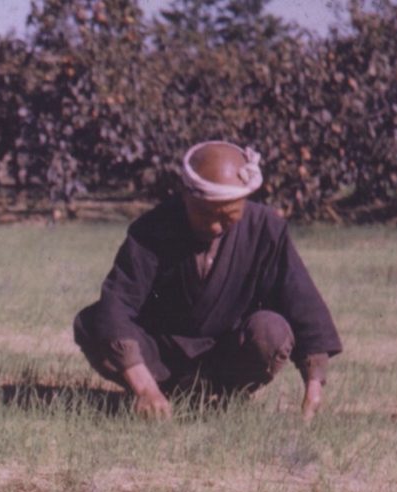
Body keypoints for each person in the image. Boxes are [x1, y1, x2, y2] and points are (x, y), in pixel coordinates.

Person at [73, 140, 342, 421]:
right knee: (94, 320)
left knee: (272, 330)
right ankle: (162, 393)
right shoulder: (152, 228)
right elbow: (117, 304)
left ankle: (224, 396)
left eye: (227, 216)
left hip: (228, 359)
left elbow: (301, 302)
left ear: (244, 201)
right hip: (160, 358)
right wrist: (144, 387)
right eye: (203, 213)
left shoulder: (266, 230)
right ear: (186, 196)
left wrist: (314, 384)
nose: (214, 226)